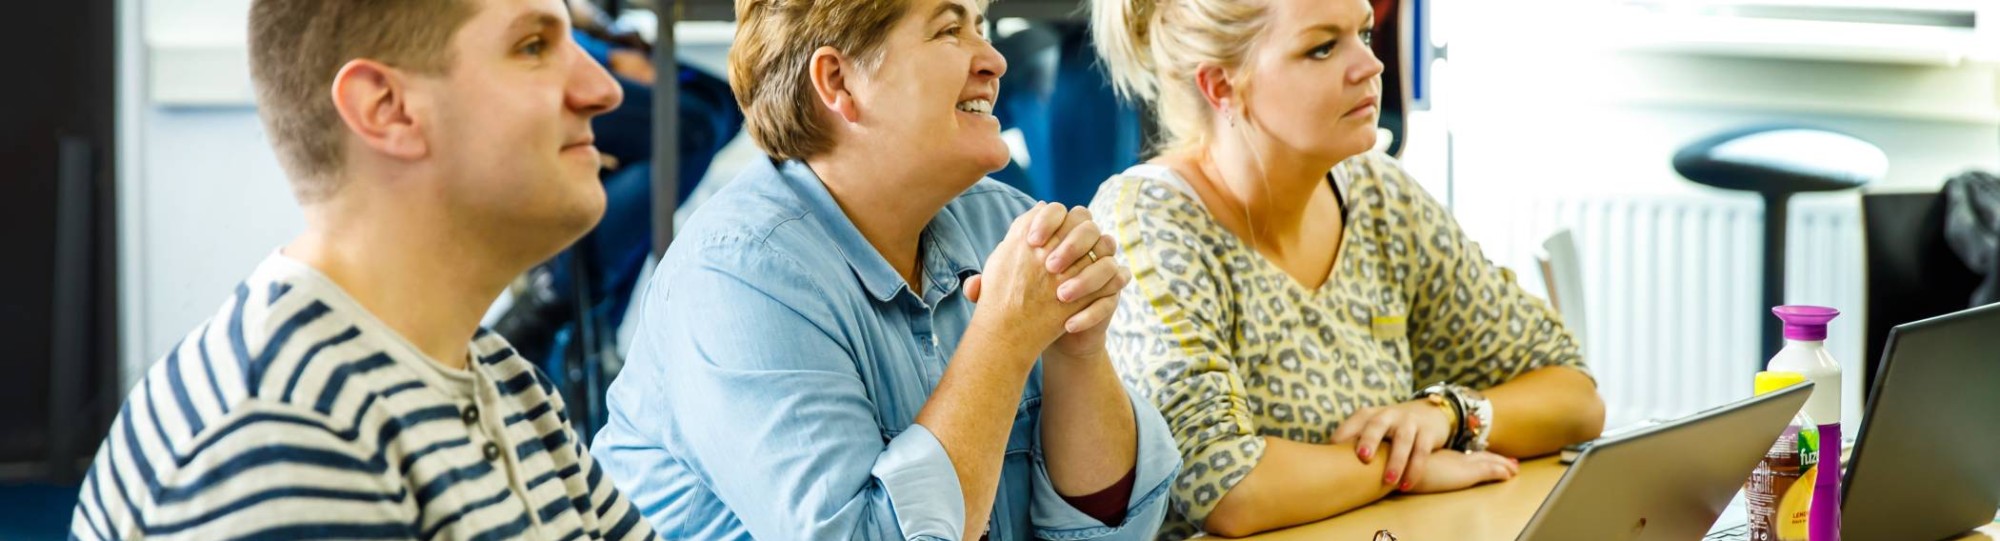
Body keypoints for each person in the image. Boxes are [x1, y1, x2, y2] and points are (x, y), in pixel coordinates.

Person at [588, 0, 1180, 539]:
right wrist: (1004, 337)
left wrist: (1075, 355)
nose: (994, 60)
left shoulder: (1002, 219)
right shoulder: (735, 276)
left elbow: (1115, 529)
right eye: (950, 29)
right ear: (838, 81)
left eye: (981, 24)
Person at [68, 0, 655, 539]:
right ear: (387, 109)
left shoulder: (504, 378)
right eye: (532, 46)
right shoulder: (285, 437)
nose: (603, 89)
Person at [1087, 0, 1606, 538]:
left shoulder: (1379, 192)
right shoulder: (1147, 221)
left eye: (1363, 32)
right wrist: (1406, 467)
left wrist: (1448, 416)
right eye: (1323, 47)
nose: (1370, 65)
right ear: (1222, 87)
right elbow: (1225, 487)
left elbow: (1575, 398)